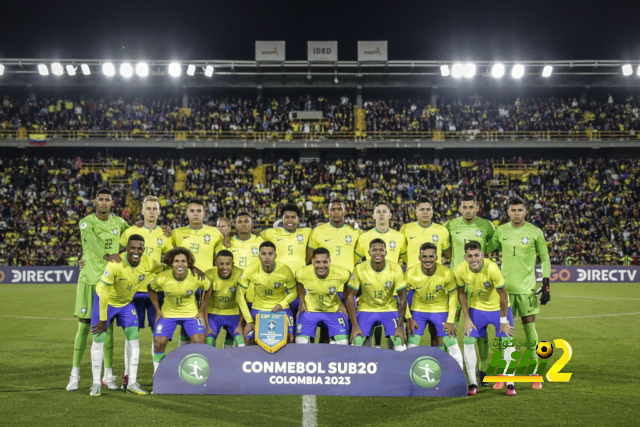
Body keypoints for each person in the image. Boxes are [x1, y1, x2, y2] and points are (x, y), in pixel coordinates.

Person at [67, 188, 130, 392]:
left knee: (108, 328)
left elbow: (134, 237)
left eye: (107, 200)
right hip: (89, 280)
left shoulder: (119, 223)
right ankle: (74, 375)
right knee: (84, 327)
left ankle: (108, 375)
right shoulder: (87, 222)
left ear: (112, 202)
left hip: (110, 283)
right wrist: (106, 255)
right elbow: (92, 242)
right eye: (101, 199)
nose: (104, 203)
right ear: (95, 201)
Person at [486, 196, 551, 390]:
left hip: (527, 289)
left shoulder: (534, 232)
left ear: (525, 211)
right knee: (503, 333)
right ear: (508, 212)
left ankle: (534, 372)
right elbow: (486, 249)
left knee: (530, 330)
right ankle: (504, 372)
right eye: (513, 210)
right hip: (504, 290)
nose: (516, 213)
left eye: (520, 210)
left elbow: (545, 258)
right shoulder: (501, 231)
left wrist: (546, 283)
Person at [89, 234, 165, 396]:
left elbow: (165, 267)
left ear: (143, 250)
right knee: (99, 340)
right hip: (105, 301)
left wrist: (189, 266)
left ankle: (132, 383)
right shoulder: (115, 264)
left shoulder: (149, 263)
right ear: (127, 249)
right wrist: (103, 319)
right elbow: (104, 294)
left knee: (134, 341)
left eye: (140, 248)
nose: (136, 251)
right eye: (133, 248)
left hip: (125, 304)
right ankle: (96, 383)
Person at [118, 195, 173, 389]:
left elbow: (171, 260)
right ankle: (127, 375)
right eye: (148, 208)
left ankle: (158, 374)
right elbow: (117, 254)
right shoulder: (131, 231)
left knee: (157, 335)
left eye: (154, 208)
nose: (151, 211)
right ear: (142, 211)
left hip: (155, 292)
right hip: (132, 292)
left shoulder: (165, 235)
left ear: (159, 211)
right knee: (131, 335)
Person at [444, 194, 495, 385]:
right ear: (460, 208)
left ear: (477, 207)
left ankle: (482, 370)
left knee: (480, 330)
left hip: (479, 284)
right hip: (455, 282)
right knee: (449, 325)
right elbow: (445, 247)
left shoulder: (487, 226)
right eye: (464, 207)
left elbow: (494, 244)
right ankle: (447, 367)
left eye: (471, 207)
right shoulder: (450, 225)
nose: (467, 210)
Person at [456, 241, 514, 396]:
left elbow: (503, 294)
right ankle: (473, 383)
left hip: (499, 309)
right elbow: (461, 293)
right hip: (477, 309)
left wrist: (503, 321)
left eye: (476, 255)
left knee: (507, 341)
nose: (474, 259)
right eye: (470, 256)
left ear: (482, 255)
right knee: (468, 340)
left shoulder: (492, 268)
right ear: (465, 257)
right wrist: (467, 319)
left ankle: (510, 383)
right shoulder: (461, 269)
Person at [148, 247, 212, 373]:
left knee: (200, 342)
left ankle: (196, 372)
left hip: (191, 314)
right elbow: (150, 288)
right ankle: (158, 372)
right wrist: (157, 310)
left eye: (183, 261)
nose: (180, 264)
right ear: (171, 263)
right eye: (176, 261)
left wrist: (201, 310)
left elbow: (208, 288)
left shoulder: (197, 277)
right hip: (168, 314)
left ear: (189, 263)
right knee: (159, 343)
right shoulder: (162, 278)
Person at [354, 201, 407, 347]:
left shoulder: (399, 237)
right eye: (378, 211)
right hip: (369, 290)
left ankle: (391, 362)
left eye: (385, 211)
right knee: (367, 331)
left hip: (392, 291)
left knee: (393, 334)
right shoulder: (364, 237)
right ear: (373, 215)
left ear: (390, 215)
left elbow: (407, 260)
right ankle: (369, 359)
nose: (382, 214)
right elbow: (354, 260)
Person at [400, 197, 452, 346]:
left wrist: (442, 260)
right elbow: (400, 252)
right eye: (421, 209)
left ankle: (438, 364)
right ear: (415, 211)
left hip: (436, 286)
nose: (425, 212)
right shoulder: (406, 229)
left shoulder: (441, 230)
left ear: (432, 211)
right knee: (411, 328)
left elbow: (448, 254)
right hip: (412, 287)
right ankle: (409, 363)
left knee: (437, 332)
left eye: (428, 209)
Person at [171, 198, 223, 346]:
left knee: (206, 323)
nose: (195, 214)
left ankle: (206, 354)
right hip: (184, 284)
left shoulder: (214, 233)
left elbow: (221, 258)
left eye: (198, 211)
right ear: (187, 213)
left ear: (204, 213)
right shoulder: (176, 233)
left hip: (206, 286)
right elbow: (170, 257)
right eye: (192, 211)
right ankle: (184, 355)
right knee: (185, 322)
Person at [405, 243, 463, 371]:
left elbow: (453, 295)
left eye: (431, 256)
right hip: (418, 310)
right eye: (424, 256)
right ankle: (410, 380)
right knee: (411, 345)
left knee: (452, 344)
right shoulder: (411, 273)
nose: (428, 259)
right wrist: (409, 318)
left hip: (441, 310)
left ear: (436, 257)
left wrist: (450, 320)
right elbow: (402, 296)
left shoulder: (446, 272)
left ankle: (459, 381)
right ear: (419, 257)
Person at [344, 239, 408, 351]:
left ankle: (397, 367)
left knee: (400, 342)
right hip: (366, 308)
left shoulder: (395, 268)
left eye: (381, 250)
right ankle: (364, 366)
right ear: (369, 252)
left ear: (386, 252)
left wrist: (399, 326)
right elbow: (350, 296)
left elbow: (402, 297)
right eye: (374, 250)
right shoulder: (360, 268)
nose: (378, 253)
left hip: (389, 308)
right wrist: (355, 326)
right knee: (356, 341)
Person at [236, 241, 298, 345]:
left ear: (275, 256)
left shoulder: (285, 270)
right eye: (264, 254)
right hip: (259, 308)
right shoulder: (250, 270)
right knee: (249, 339)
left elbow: (293, 293)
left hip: (281, 308)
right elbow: (239, 295)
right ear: (259, 256)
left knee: (290, 338)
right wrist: (249, 320)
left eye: (270, 254)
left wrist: (282, 304)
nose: (267, 257)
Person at [259, 203, 311, 316]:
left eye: (293, 217)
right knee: (281, 324)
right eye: (286, 217)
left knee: (301, 321)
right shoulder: (271, 233)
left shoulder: (307, 232)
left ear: (298, 219)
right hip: (279, 287)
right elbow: (252, 237)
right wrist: (227, 235)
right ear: (282, 219)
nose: (289, 220)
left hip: (300, 286)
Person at [295, 248, 351, 345]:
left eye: (325, 262)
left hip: (333, 310)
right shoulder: (302, 272)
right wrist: (302, 302)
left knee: (343, 343)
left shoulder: (342, 273)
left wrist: (343, 302)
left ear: (329, 261)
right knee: (300, 343)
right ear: (312, 262)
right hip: (310, 310)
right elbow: (299, 283)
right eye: (317, 262)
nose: (321, 265)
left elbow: (350, 281)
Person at [216, 212, 263, 314]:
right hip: (233, 292)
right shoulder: (227, 243)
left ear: (252, 224)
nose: (243, 224)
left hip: (255, 292)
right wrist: (228, 234)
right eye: (240, 222)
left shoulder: (260, 241)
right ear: (236, 225)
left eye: (246, 221)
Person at [204, 250, 246, 348]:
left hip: (233, 312)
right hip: (214, 312)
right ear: (216, 263)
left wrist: (240, 325)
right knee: (209, 340)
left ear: (233, 264)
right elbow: (204, 302)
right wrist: (207, 325)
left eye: (228, 264)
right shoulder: (209, 274)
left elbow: (242, 301)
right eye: (221, 264)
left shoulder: (240, 273)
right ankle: (212, 362)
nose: (225, 267)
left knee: (241, 343)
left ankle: (230, 360)